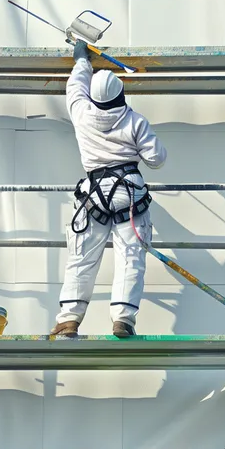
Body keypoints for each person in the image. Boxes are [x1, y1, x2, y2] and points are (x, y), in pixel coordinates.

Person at [50, 40, 167, 338]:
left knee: (82, 257)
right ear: (121, 95)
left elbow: (75, 86)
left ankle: (69, 320)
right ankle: (123, 319)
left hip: (93, 196)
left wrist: (81, 60)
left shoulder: (81, 113)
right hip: (129, 195)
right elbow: (156, 159)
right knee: (130, 257)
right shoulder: (135, 121)